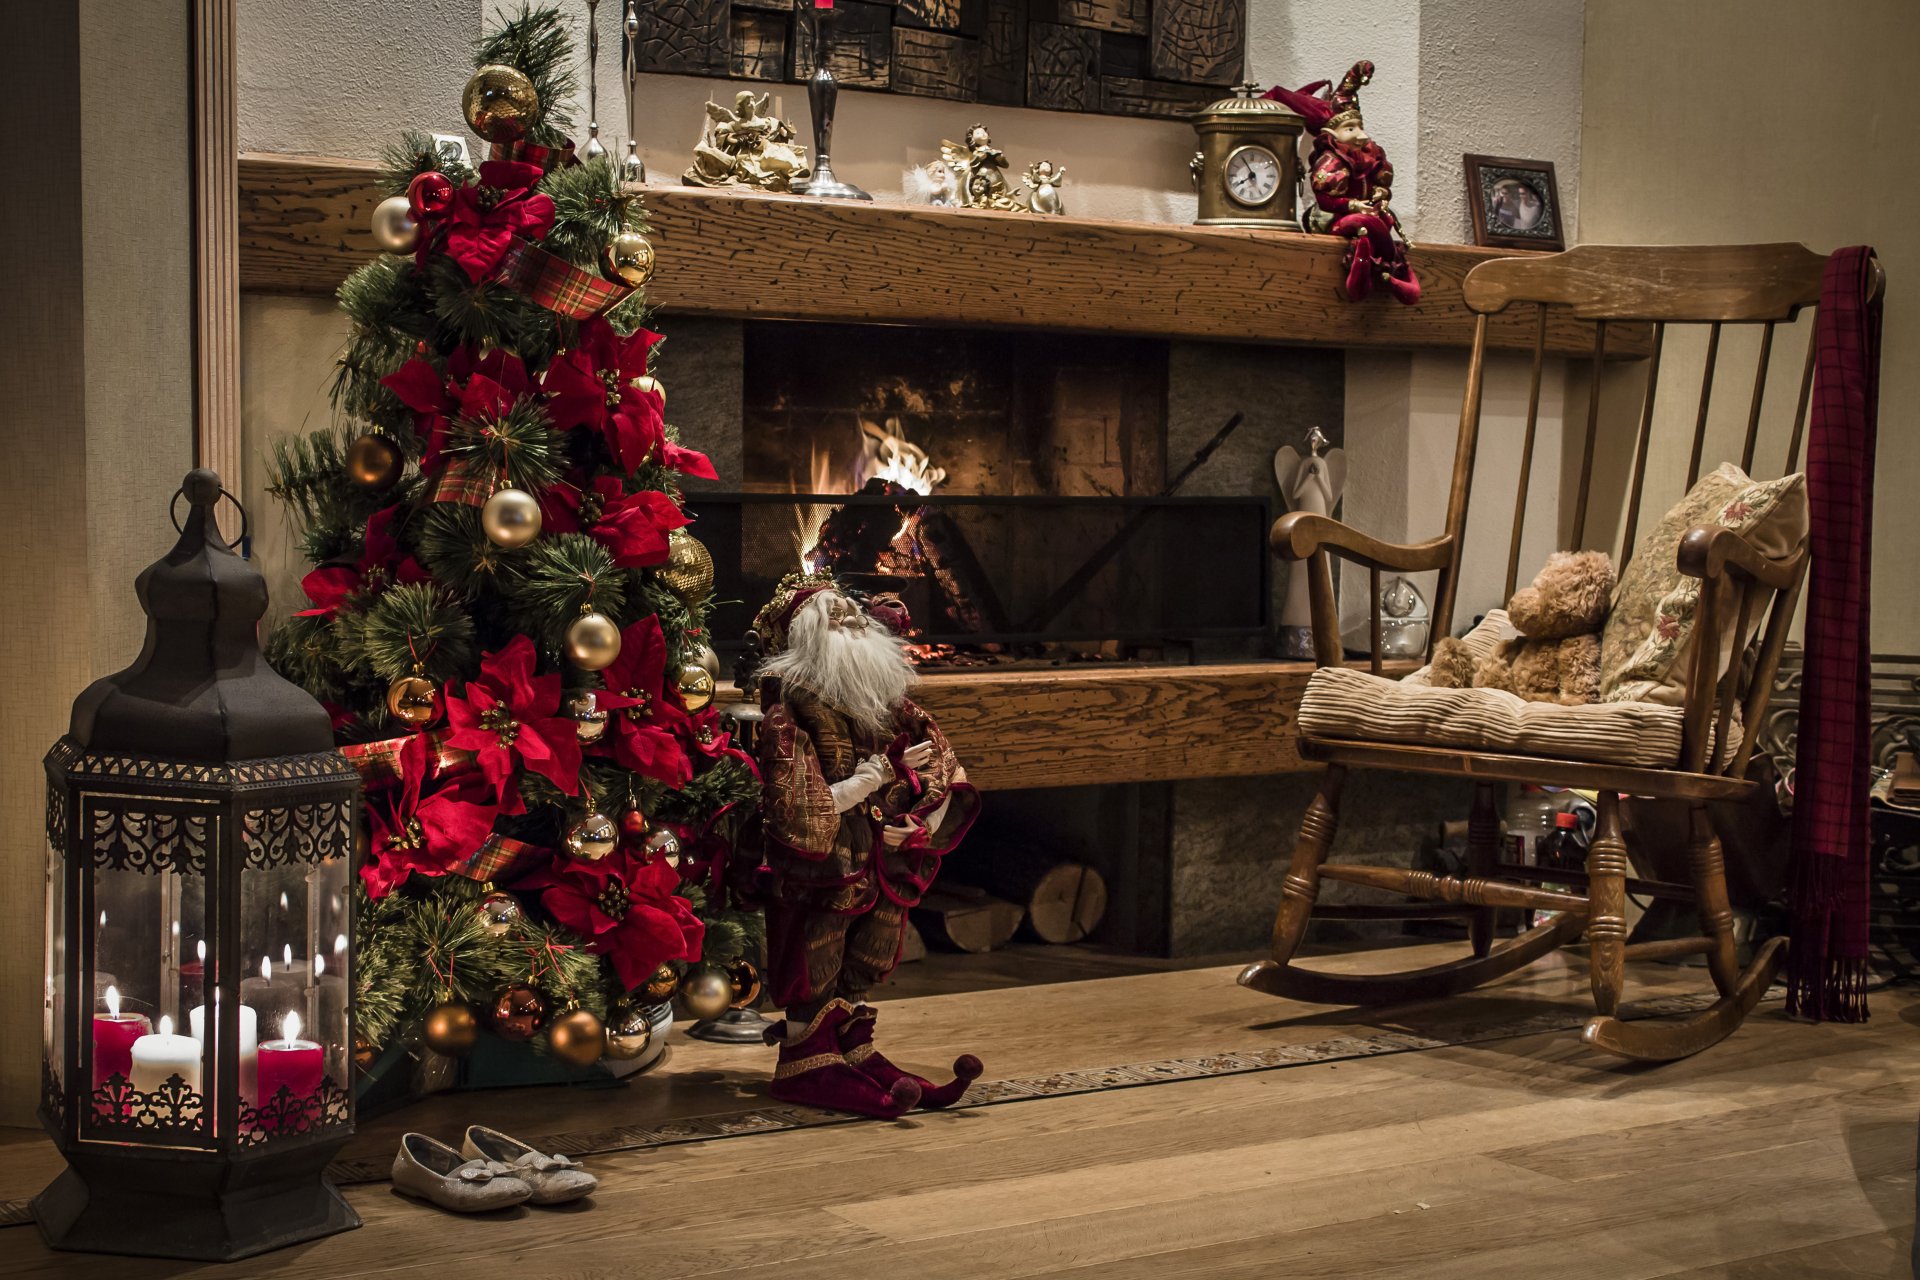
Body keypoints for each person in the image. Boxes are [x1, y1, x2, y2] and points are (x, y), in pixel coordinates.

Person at [746, 571, 982, 1117]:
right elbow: (797, 805)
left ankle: (851, 1047)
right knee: (818, 946)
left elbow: (943, 765)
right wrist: (873, 779)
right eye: (834, 617)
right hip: (824, 862)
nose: (852, 621)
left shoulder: (888, 703)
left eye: (851, 613)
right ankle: (807, 1059)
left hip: (881, 856)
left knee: (871, 945)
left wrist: (921, 818)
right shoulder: (788, 715)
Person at [1266, 61, 1420, 305]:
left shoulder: (1369, 155)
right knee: (1364, 222)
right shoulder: (1331, 162)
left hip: (1366, 214)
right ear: (1333, 135)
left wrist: (1380, 194)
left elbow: (1379, 184)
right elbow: (1327, 201)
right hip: (1333, 219)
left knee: (1385, 219)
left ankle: (1382, 270)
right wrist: (1355, 206)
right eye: (1351, 128)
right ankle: (1388, 270)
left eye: (1360, 126)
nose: (1362, 135)